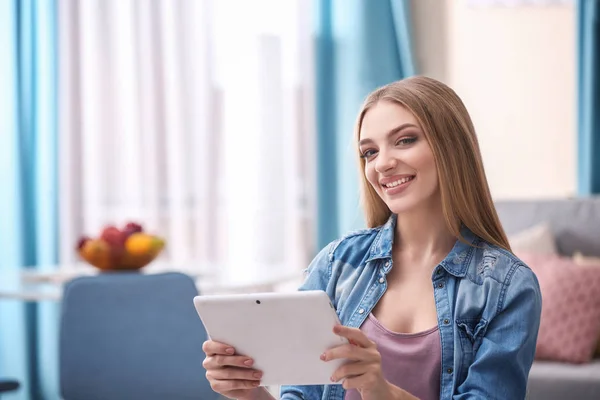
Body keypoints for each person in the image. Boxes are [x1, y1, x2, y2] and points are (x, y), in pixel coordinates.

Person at [201, 76, 542, 400]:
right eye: (369, 152)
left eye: (405, 140)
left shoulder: (508, 286)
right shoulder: (337, 264)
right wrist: (249, 392)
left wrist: (383, 391)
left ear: (450, 147)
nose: (382, 164)